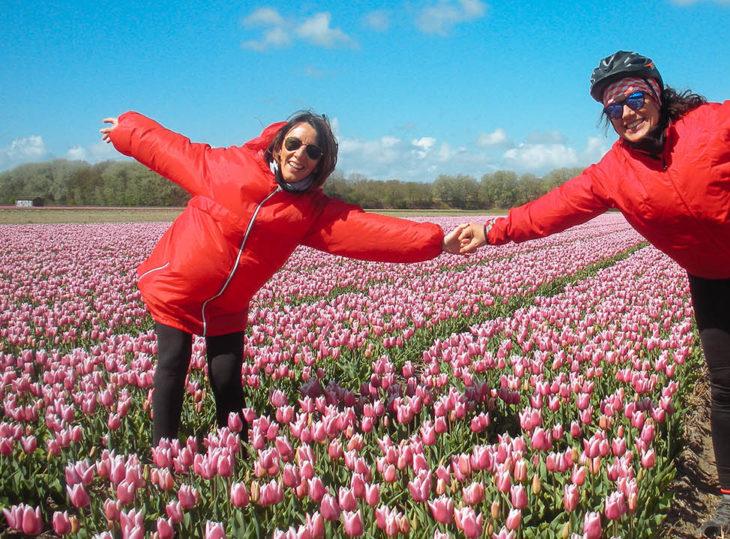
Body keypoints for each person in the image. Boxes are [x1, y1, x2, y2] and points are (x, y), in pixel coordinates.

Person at [457, 51, 730, 536]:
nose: (626, 112)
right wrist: (491, 230)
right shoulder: (612, 174)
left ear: (655, 92)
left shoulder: (713, 122)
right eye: (613, 108)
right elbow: (552, 210)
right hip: (714, 277)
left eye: (634, 97)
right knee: (727, 386)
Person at [100, 110, 465, 448]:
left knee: (227, 378)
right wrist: (127, 131)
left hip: (228, 304)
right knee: (173, 363)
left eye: (313, 151)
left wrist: (435, 241)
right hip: (176, 287)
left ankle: (238, 455)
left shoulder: (309, 212)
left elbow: (369, 231)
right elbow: (172, 151)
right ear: (278, 145)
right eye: (294, 143)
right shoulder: (226, 167)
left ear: (322, 164)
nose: (299, 155)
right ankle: (164, 457)